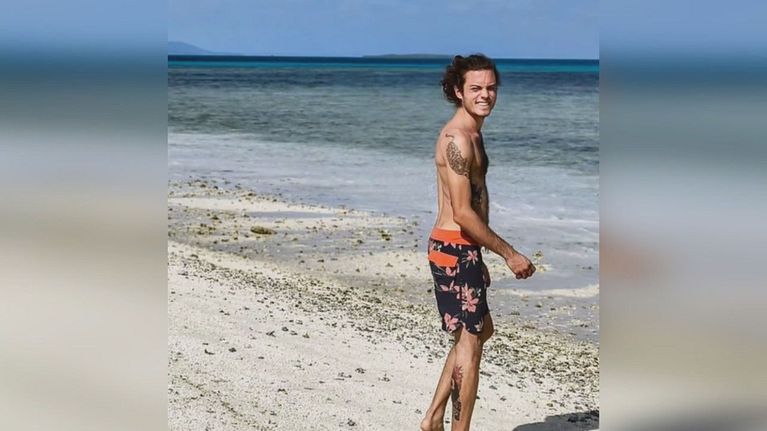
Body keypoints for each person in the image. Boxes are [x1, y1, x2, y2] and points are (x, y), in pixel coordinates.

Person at [420, 54, 536, 431]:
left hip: (462, 249)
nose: (485, 94)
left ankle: (432, 418)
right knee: (470, 346)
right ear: (459, 91)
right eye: (476, 88)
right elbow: (463, 212)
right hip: (453, 247)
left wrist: (478, 254)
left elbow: (474, 200)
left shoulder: (473, 132)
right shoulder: (456, 138)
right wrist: (509, 254)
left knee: (480, 330)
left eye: (490, 87)